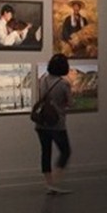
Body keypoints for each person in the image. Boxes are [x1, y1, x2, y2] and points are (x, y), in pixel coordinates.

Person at [36, 53, 75, 195]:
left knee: (46, 152)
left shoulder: (43, 80)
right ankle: (55, 181)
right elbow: (70, 103)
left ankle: (49, 183)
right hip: (57, 123)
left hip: (41, 123)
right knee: (65, 151)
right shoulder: (63, 84)